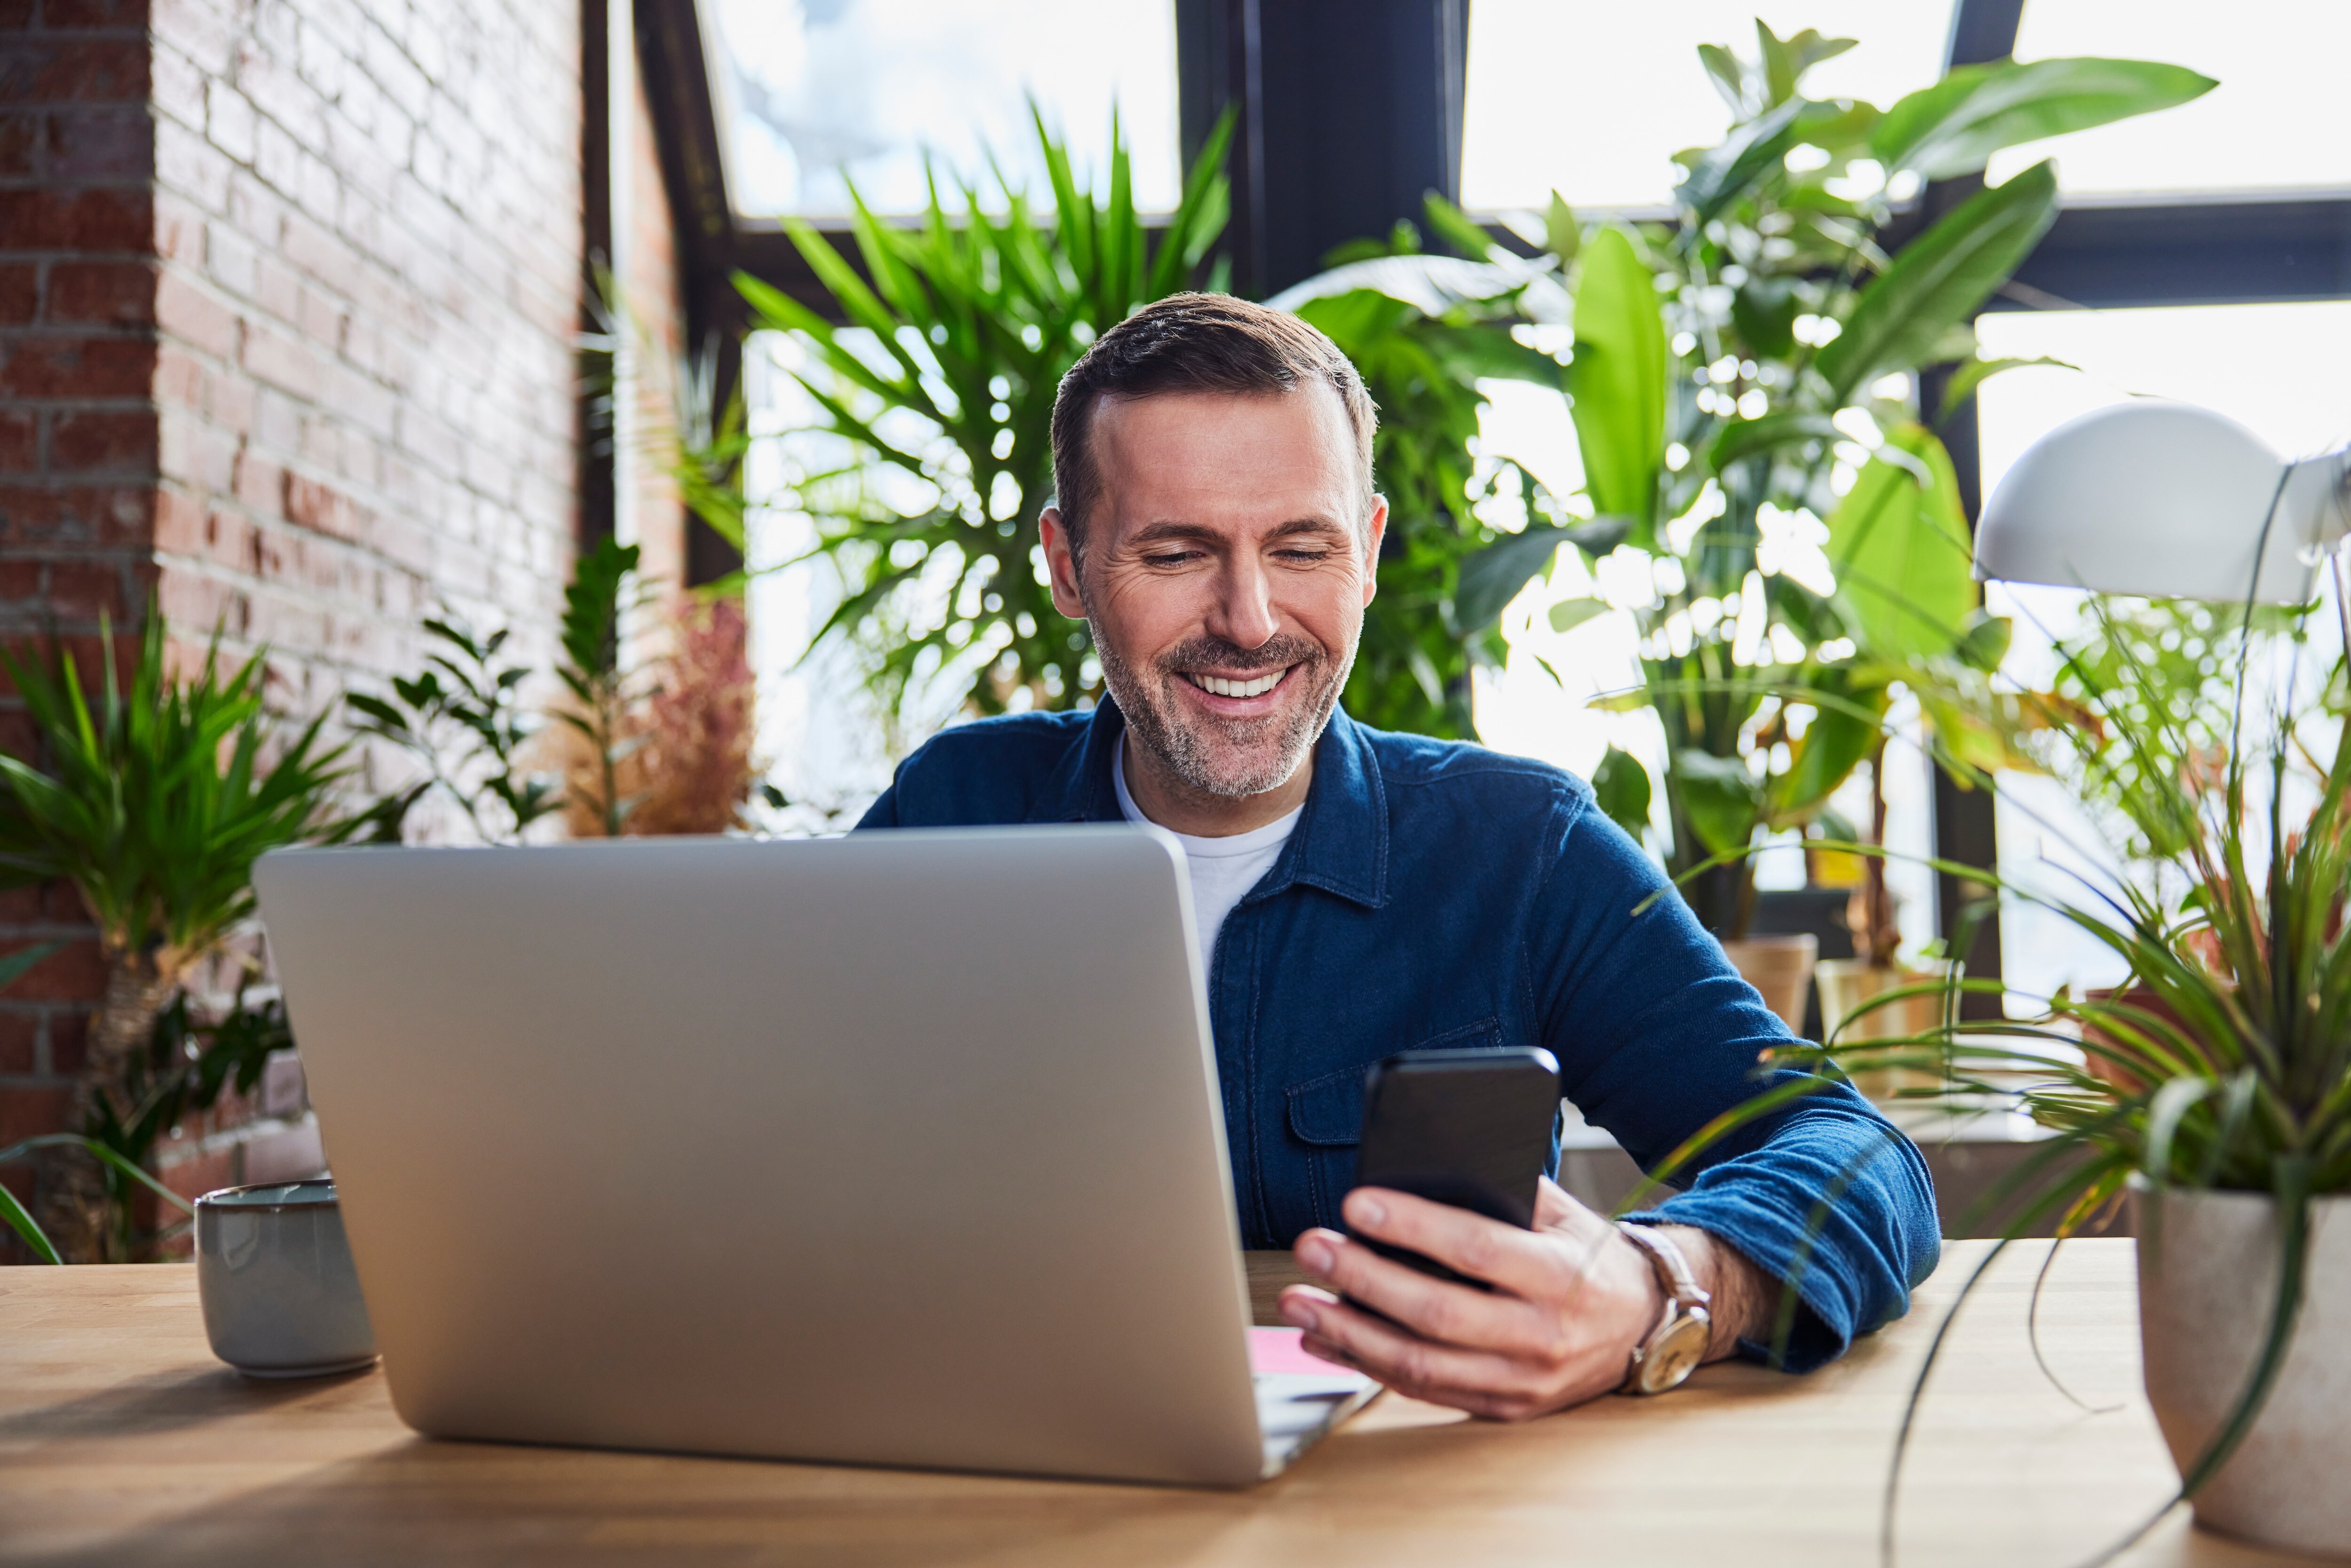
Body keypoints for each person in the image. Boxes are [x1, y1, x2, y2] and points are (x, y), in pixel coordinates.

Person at [857, 293, 1939, 1418]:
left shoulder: (1523, 851)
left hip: (1425, 1481)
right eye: (1175, 552)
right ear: (1070, 569)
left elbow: (1856, 1156)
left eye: (1300, 547)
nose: (1248, 616)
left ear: (1366, 554)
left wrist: (1662, 1285)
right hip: (1027, 1464)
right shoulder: (953, 810)